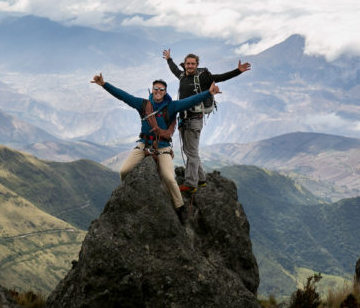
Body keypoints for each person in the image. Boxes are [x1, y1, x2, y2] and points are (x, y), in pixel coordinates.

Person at [91, 72, 221, 223]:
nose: (158, 92)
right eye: (155, 89)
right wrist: (104, 84)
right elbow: (123, 96)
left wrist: (208, 93)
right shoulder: (143, 105)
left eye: (161, 89)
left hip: (162, 148)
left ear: (165, 92)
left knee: (169, 178)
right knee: (124, 171)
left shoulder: (171, 106)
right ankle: (129, 193)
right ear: (152, 90)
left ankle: (180, 207)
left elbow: (190, 101)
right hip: (143, 145)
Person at [163, 50, 251, 193]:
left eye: (192, 64)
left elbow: (220, 77)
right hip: (184, 118)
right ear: (185, 65)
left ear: (197, 65)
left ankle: (191, 184)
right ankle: (201, 179)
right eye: (188, 64)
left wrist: (238, 71)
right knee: (190, 151)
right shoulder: (182, 76)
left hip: (194, 119)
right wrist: (168, 59)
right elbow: (174, 69)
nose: (190, 66)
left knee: (191, 153)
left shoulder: (202, 78)